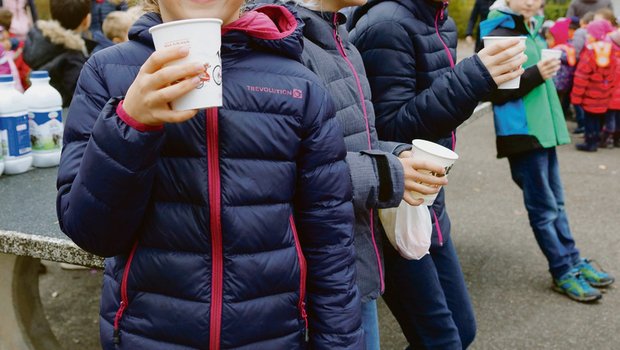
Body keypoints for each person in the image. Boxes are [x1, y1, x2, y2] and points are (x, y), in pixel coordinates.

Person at [56, 0, 364, 349]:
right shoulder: (106, 72)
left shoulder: (299, 85)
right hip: (148, 335)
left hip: (272, 334)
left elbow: (330, 244)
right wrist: (131, 122)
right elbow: (91, 233)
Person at [254, 0, 450, 347]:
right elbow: (270, 172)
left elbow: (355, 142)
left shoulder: (339, 34)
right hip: (312, 271)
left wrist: (396, 155)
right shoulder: (280, 38)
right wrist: (387, 172)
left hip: (352, 256)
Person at [348, 0, 526, 348]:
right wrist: (473, 77)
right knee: (443, 340)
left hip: (429, 199)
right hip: (392, 208)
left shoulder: (440, 20)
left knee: (462, 330)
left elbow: (437, 106)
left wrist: (478, 81)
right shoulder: (386, 24)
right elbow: (386, 133)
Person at [481, 0, 615, 302]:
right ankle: (562, 271)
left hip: (543, 131)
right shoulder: (499, 30)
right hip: (523, 133)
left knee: (557, 203)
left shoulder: (527, 25)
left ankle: (572, 260)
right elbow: (495, 90)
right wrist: (538, 72)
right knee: (543, 210)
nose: (531, 0)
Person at [22, 0, 94, 107]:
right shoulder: (73, 57)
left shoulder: (39, 40)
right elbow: (83, 97)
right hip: (61, 115)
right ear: (85, 20)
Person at [571, 18, 617, 151]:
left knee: (590, 119)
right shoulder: (611, 51)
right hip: (603, 95)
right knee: (598, 119)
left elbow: (581, 77)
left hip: (590, 95)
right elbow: (614, 74)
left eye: (590, 33)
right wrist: (609, 91)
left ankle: (590, 143)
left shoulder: (591, 52)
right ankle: (596, 141)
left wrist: (576, 97)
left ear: (596, 34)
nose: (587, 36)